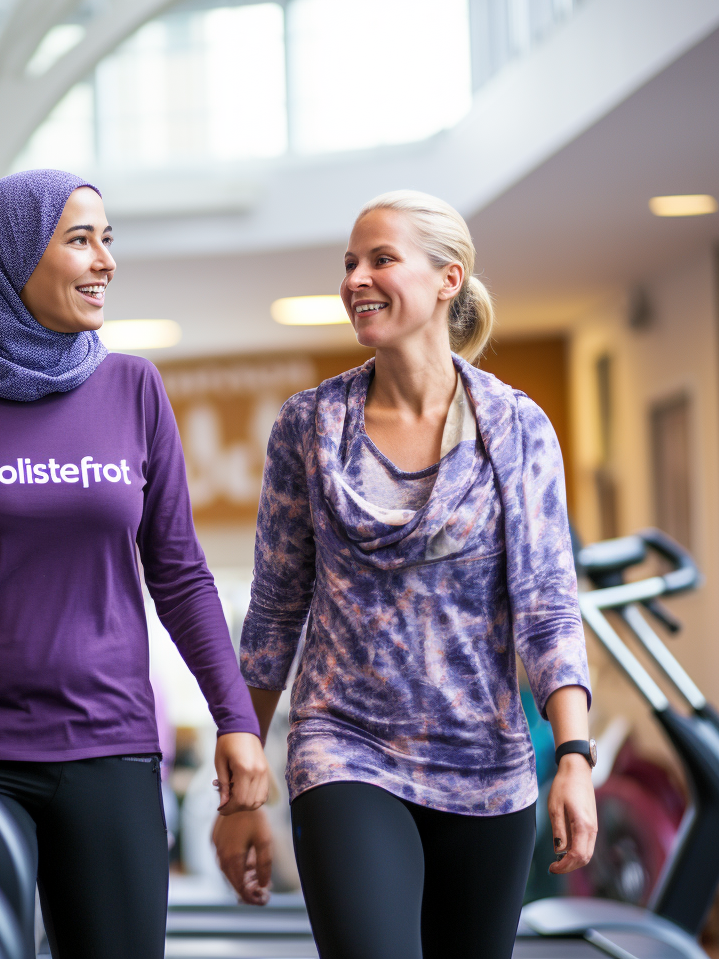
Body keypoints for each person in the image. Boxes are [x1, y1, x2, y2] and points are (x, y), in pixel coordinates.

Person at [0, 169, 269, 959]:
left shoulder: (132, 388)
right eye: (80, 240)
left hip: (108, 744)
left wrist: (235, 718)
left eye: (108, 239)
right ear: (12, 259)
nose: (105, 260)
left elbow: (179, 574)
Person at [213, 190, 596, 959]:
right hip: (344, 747)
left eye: (380, 259)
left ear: (448, 278)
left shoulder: (516, 426)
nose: (356, 277)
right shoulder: (310, 427)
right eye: (349, 263)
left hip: (485, 765)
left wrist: (576, 759)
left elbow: (547, 606)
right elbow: (274, 615)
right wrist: (241, 785)